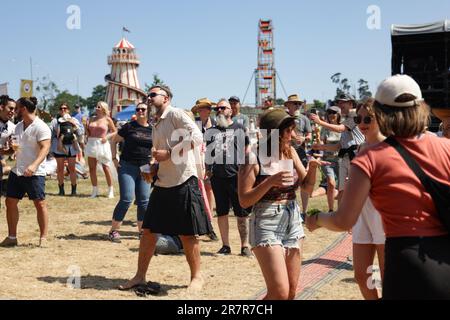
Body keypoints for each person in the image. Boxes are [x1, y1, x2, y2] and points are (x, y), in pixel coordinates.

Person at [306, 75, 450, 299]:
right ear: (422, 107)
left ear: (380, 113)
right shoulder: (446, 147)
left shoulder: (371, 157)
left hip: (406, 262)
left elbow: (343, 220)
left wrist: (317, 219)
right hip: (444, 261)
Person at [119, 85, 212, 293]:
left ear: (167, 98)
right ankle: (140, 276)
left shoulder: (176, 114)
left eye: (153, 95)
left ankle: (197, 277)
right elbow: (160, 154)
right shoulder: (156, 123)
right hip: (162, 182)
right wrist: (154, 167)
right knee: (149, 232)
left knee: (188, 235)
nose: (149, 99)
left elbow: (197, 137)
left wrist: (169, 153)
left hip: (184, 181)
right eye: (147, 95)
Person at [238, 108, 320, 300]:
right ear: (274, 132)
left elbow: (307, 188)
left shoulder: (290, 152)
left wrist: (313, 169)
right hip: (266, 221)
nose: (293, 135)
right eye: (289, 130)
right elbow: (244, 200)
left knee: (291, 292)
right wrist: (269, 181)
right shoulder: (253, 157)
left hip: (292, 219)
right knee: (279, 293)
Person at [0, 97, 51, 248]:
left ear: (22, 109)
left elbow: (45, 148)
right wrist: (6, 150)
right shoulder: (18, 127)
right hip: (18, 171)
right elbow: (14, 149)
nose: (13, 111)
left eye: (15, 108)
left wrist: (34, 165)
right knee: (10, 202)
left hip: (35, 172)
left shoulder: (41, 127)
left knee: (40, 204)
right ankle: (12, 237)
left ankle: (43, 238)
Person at [205, 99, 252, 257]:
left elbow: (247, 147)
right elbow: (208, 153)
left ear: (230, 111)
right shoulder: (212, 131)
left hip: (236, 176)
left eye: (222, 108)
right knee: (222, 212)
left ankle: (245, 246)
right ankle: (225, 246)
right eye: (217, 108)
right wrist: (208, 170)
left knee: (241, 212)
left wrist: (245, 167)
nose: (219, 110)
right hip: (217, 177)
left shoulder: (239, 128)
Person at [350, 98, 385, 300]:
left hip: (383, 215)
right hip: (362, 215)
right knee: (363, 275)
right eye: (358, 118)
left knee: (388, 277)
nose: (362, 123)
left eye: (368, 118)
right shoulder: (362, 147)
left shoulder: (390, 146)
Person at [109, 102, 152, 243]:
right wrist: (114, 158)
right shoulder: (129, 126)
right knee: (126, 199)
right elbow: (114, 140)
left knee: (144, 201)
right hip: (127, 166)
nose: (140, 111)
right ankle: (114, 231)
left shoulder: (154, 129)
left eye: (143, 109)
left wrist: (153, 161)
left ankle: (142, 232)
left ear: (148, 111)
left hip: (145, 167)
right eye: (138, 109)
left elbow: (157, 146)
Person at [311, 93, 364, 202]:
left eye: (342, 102)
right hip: (345, 158)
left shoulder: (355, 115)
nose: (340, 104)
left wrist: (320, 122)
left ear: (350, 103)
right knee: (342, 192)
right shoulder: (347, 118)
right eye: (338, 102)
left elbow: (340, 129)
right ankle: (341, 216)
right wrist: (322, 146)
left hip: (356, 158)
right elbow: (338, 146)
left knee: (355, 190)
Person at [191, 99, 219, 241]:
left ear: (209, 110)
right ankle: (199, 225)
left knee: (209, 190)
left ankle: (210, 224)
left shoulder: (215, 124)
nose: (203, 111)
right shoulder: (193, 123)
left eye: (205, 108)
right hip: (196, 161)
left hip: (210, 160)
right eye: (200, 109)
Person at [284, 94, 312, 218]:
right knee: (287, 181)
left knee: (303, 180)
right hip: (285, 152)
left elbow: (310, 134)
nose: (297, 106)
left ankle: (304, 212)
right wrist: (296, 137)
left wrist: (305, 138)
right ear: (288, 105)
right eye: (294, 103)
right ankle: (288, 209)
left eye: (299, 104)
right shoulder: (284, 118)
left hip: (300, 152)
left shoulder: (304, 119)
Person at [50, 103, 83, 196]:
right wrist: (50, 149)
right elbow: (51, 135)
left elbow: (81, 132)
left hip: (71, 147)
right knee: (60, 169)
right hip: (58, 147)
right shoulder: (55, 121)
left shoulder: (74, 119)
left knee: (72, 168)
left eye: (65, 108)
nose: (63, 110)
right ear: (59, 110)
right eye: (61, 108)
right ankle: (61, 190)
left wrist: (73, 124)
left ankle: (74, 190)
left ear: (68, 110)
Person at [85, 101, 117, 198]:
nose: (96, 108)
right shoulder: (91, 119)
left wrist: (107, 137)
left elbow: (114, 131)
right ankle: (95, 190)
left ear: (103, 108)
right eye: (96, 106)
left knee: (106, 167)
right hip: (91, 143)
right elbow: (88, 133)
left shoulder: (107, 119)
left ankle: (110, 189)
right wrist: (85, 126)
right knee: (92, 168)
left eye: (98, 107)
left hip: (102, 143)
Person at [317, 106, 341, 212]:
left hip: (340, 159)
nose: (331, 114)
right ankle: (331, 209)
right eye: (329, 112)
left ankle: (341, 210)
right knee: (331, 183)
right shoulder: (325, 128)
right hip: (328, 159)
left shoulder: (343, 127)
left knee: (341, 186)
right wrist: (319, 146)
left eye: (334, 113)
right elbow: (322, 141)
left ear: (339, 114)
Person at [0, 95, 16, 193]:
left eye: (14, 109)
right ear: (1, 107)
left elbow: (12, 150)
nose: (13, 111)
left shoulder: (12, 127)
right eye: (10, 108)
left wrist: (9, 150)